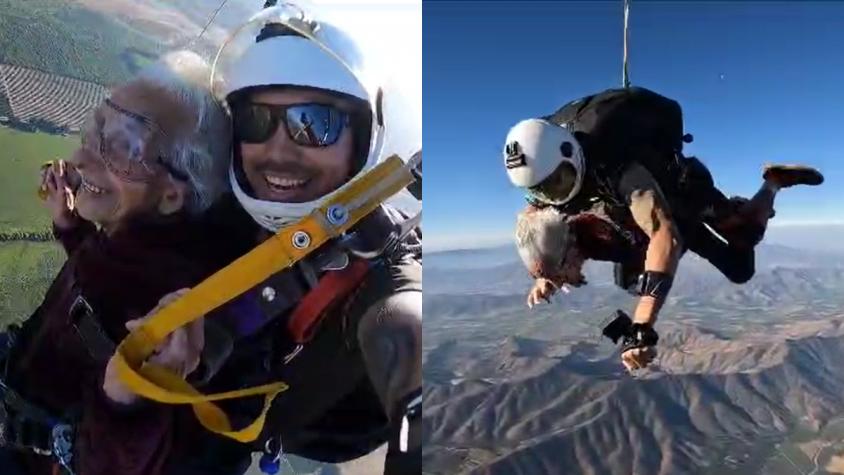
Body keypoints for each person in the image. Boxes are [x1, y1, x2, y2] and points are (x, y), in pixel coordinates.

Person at [101, 4, 422, 474]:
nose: (277, 151)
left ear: (361, 135)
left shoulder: (383, 267)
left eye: (313, 124)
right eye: (255, 121)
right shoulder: (214, 207)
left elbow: (404, 328)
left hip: (304, 429)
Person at [0, 50, 231, 475]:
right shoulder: (134, 248)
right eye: (96, 127)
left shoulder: (161, 310)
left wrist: (125, 400)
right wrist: (69, 226)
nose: (83, 157)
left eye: (125, 145)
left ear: (172, 194)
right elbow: (98, 281)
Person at [502, 86, 823, 372]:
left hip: (684, 199)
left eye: (558, 183)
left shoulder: (618, 169)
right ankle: (739, 209)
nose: (557, 194)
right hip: (637, 230)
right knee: (630, 281)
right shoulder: (550, 198)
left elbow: (663, 236)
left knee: (744, 249)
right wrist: (546, 274)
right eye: (546, 191)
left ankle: (773, 182)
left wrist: (643, 324)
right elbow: (539, 228)